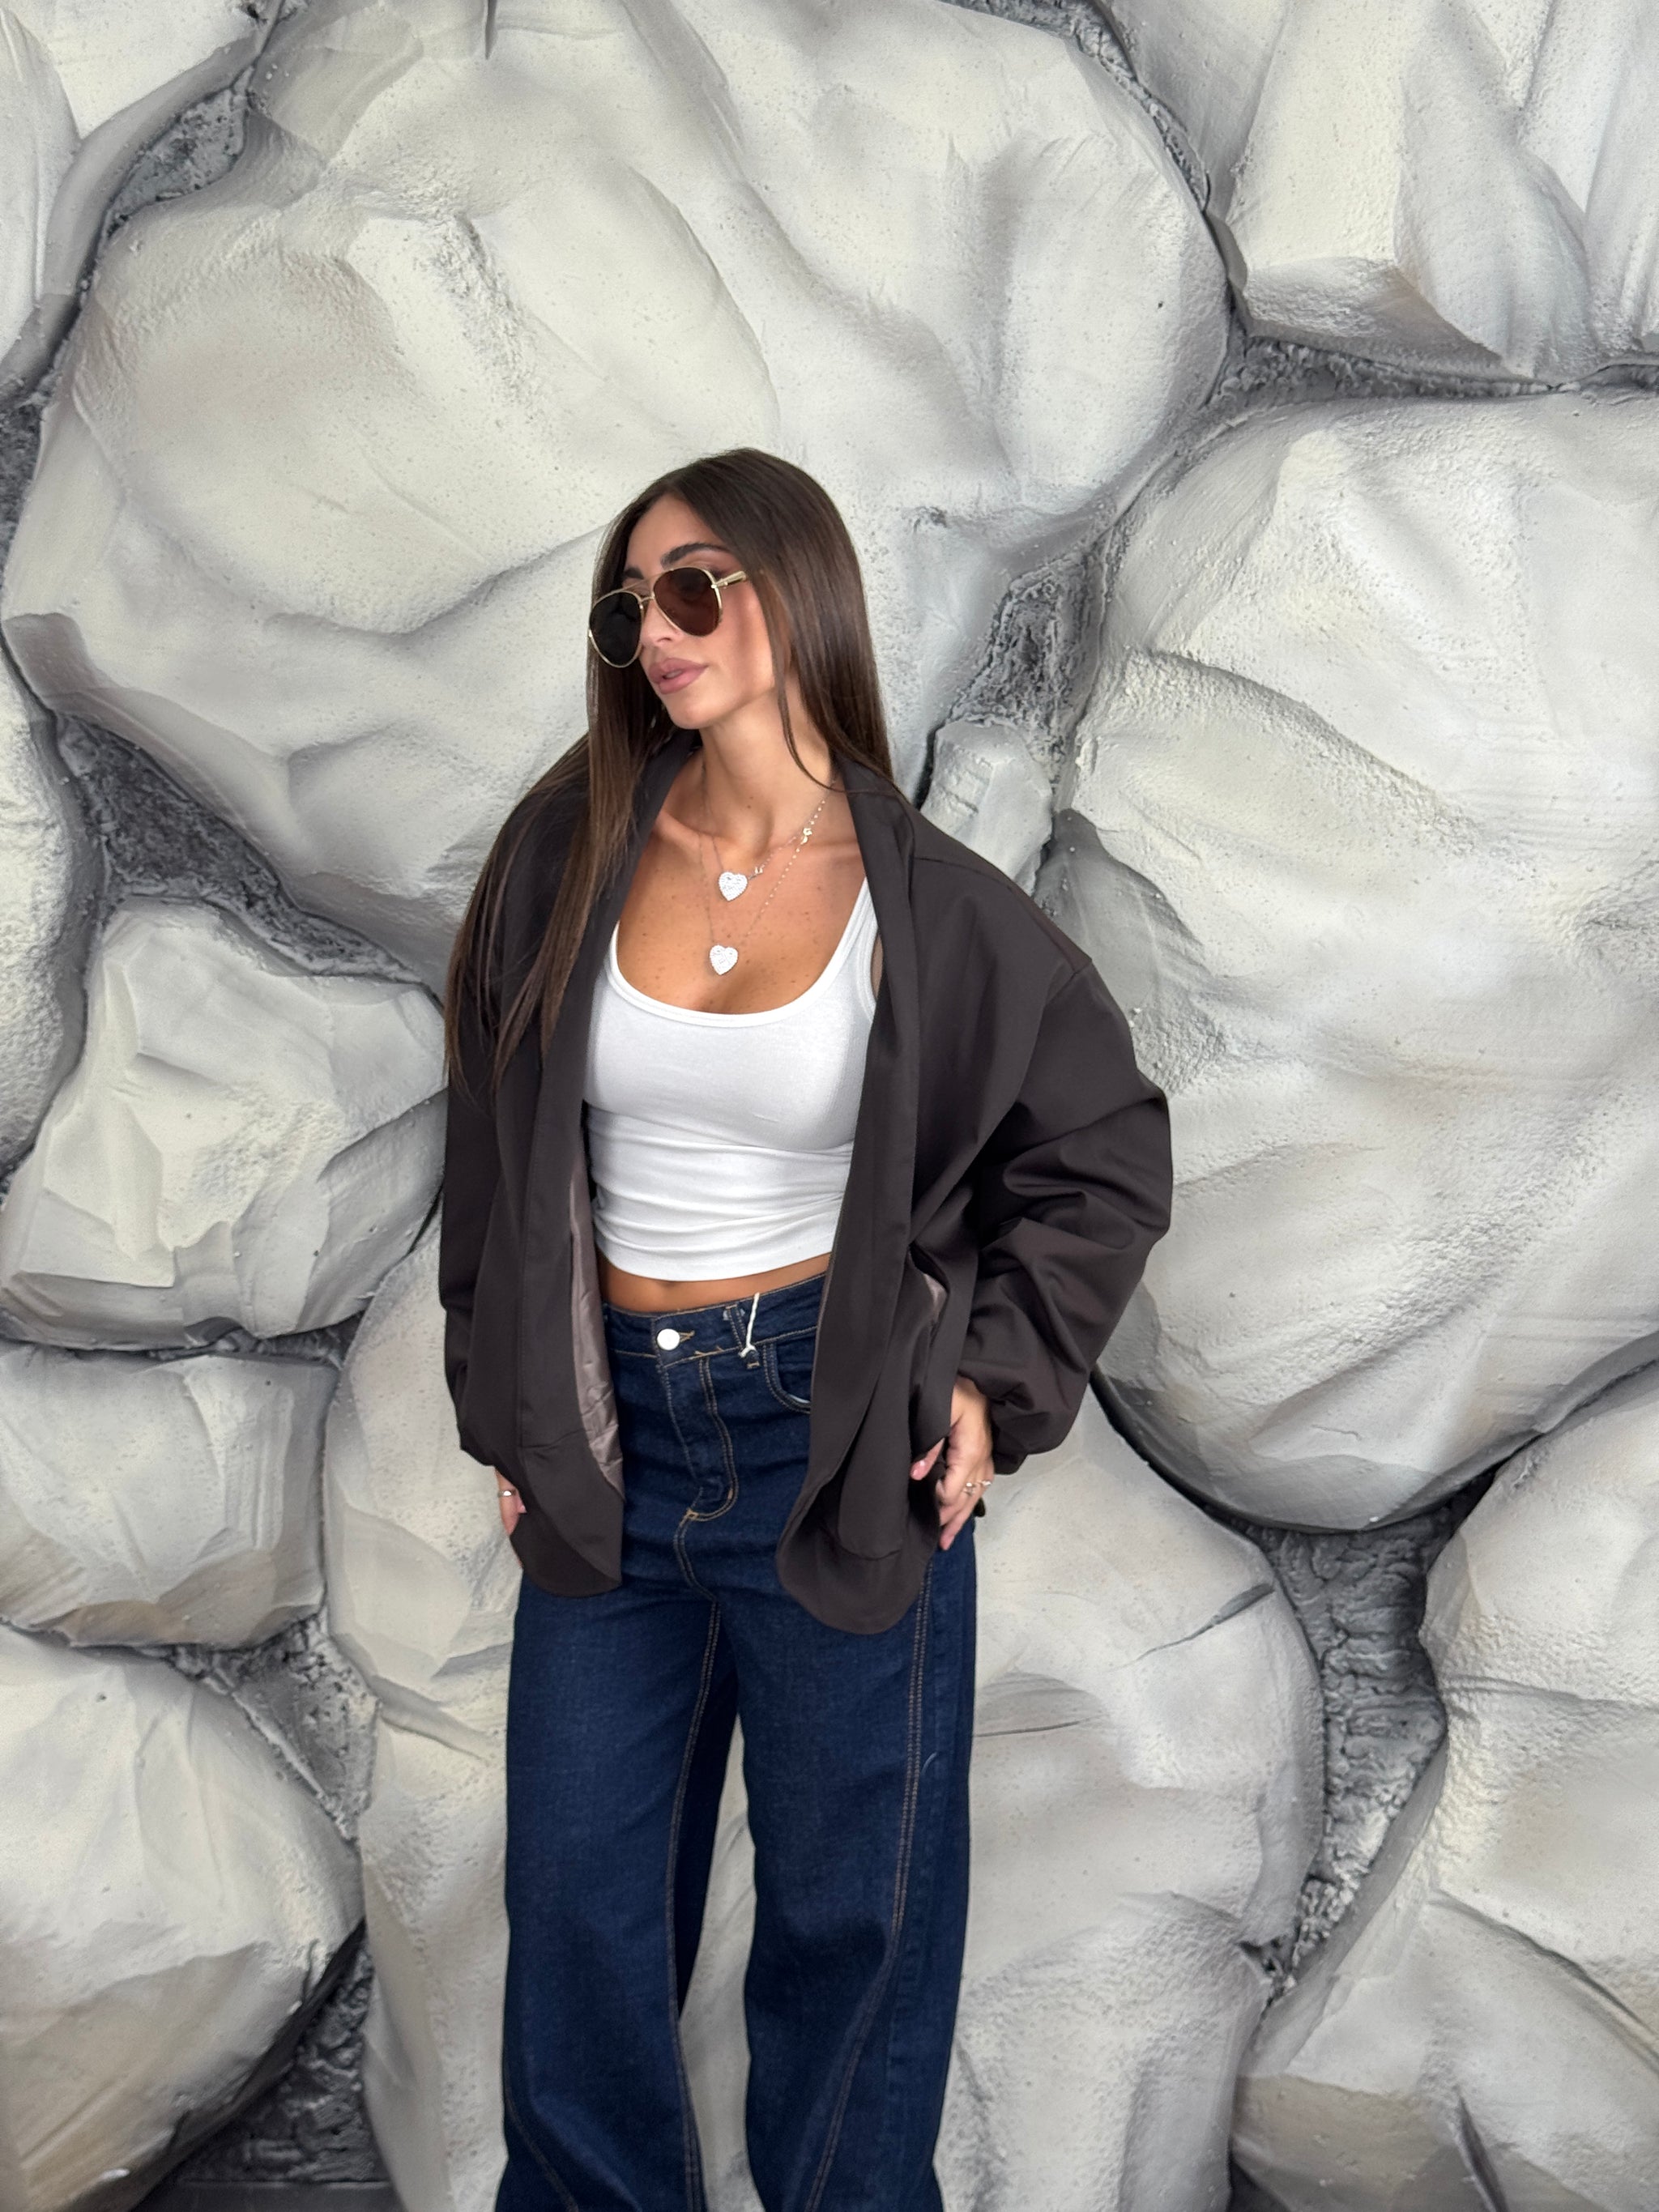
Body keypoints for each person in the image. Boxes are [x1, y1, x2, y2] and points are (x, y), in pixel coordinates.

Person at [438, 446, 1173, 2212]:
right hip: (610, 1451)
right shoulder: (567, 852)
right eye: (630, 606)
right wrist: (507, 1404)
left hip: (831, 1443)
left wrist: (993, 1385)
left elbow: (1102, 1150)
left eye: (694, 587)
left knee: (857, 1932)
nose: (657, 630)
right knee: (581, 1916)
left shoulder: (927, 904)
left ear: (798, 592)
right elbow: (491, 1145)